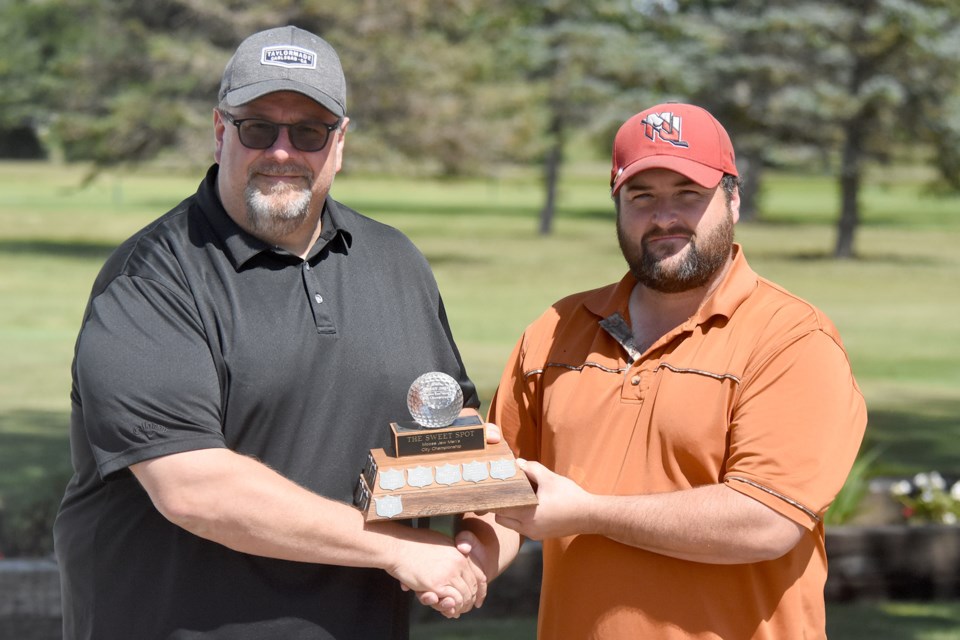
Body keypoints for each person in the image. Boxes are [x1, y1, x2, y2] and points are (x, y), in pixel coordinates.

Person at [54, 25, 488, 639]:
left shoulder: (395, 262)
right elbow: (193, 486)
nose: (283, 151)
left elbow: (451, 431)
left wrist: (484, 537)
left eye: (309, 131)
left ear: (339, 143)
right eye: (259, 127)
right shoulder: (152, 277)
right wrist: (398, 549)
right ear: (219, 132)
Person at [457, 102, 868, 639]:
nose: (664, 217)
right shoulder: (557, 329)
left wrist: (589, 513)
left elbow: (764, 521)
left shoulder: (790, 339)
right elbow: (507, 491)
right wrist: (470, 560)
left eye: (687, 194)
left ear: (733, 200)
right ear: (618, 205)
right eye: (642, 196)